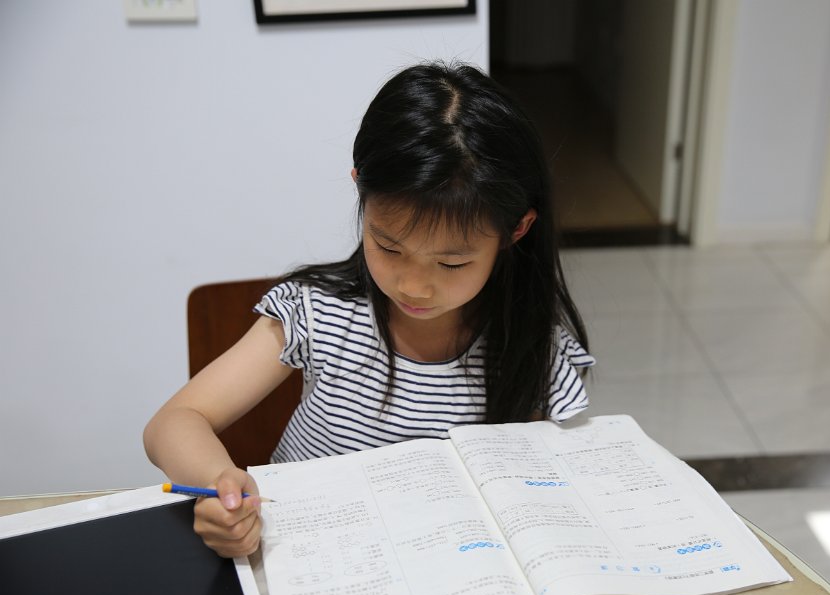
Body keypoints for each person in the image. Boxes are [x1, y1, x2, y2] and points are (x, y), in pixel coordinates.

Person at [144, 61, 594, 558]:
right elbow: (173, 422)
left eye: (452, 263)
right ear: (360, 187)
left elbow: (535, 487)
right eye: (389, 247)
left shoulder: (530, 343)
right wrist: (218, 485)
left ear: (516, 230)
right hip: (311, 555)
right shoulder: (316, 313)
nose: (414, 286)